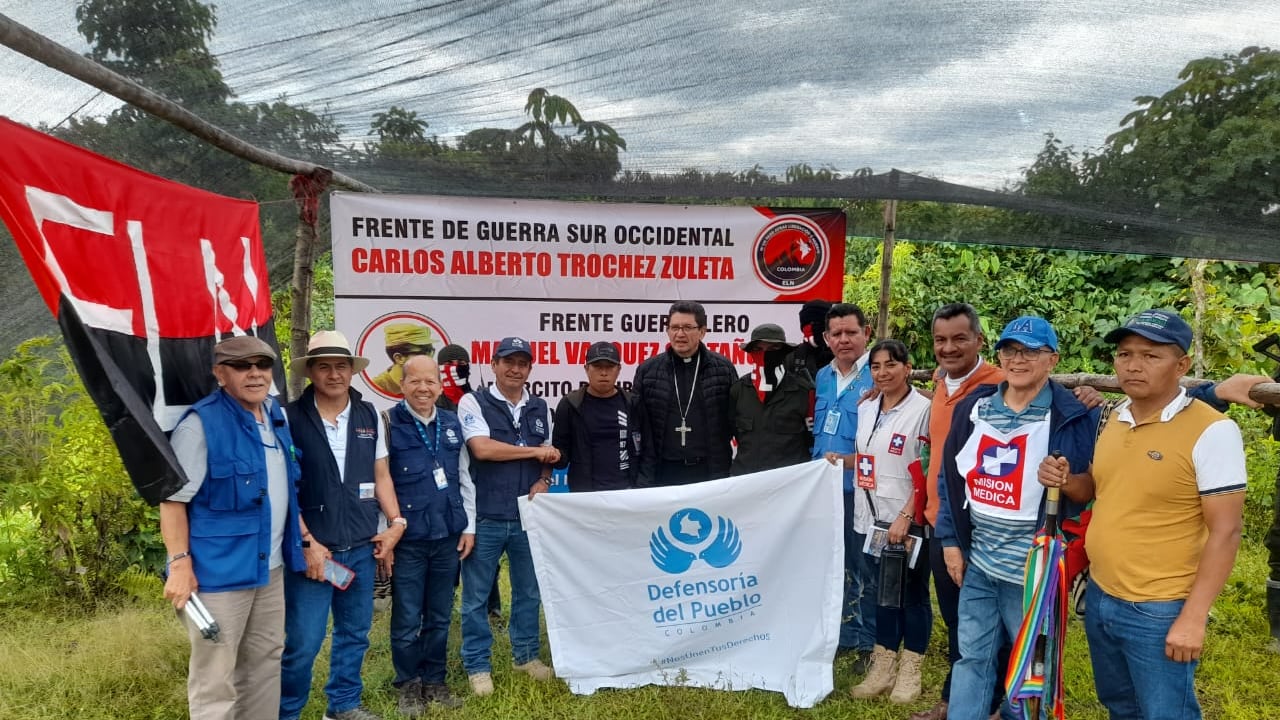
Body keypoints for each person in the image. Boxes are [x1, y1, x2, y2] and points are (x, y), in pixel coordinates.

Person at [1075, 310, 1247, 720]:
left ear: (1182, 365)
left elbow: (1226, 532)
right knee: (1121, 706)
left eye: (1151, 356)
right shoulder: (1113, 418)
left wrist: (1193, 618)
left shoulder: (1213, 431)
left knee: (1166, 712)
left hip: (1158, 607)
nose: (1133, 365)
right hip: (1101, 595)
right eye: (1124, 353)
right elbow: (1103, 491)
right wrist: (1066, 479)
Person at [935, 316, 1100, 720]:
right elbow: (948, 477)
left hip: (1034, 571)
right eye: (1010, 350)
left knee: (1032, 669)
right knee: (971, 657)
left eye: (1030, 351)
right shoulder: (976, 406)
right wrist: (951, 542)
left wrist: (1065, 479)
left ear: (1053, 359)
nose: (1018, 359)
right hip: (980, 563)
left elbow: (1088, 488)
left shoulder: (1072, 414)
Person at [160, 335, 305, 720]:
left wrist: (305, 537)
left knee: (264, 662)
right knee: (216, 675)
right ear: (220, 374)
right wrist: (179, 564)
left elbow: (285, 487)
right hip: (217, 575)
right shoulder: (200, 425)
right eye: (243, 366)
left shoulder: (275, 416)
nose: (255, 373)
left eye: (263, 364)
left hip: (269, 568)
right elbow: (172, 501)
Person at [279, 332, 406, 720]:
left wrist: (396, 524)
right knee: (303, 642)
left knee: (354, 634)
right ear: (311, 372)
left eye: (341, 366)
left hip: (361, 548)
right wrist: (306, 542)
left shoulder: (369, 415)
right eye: (324, 366)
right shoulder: (288, 417)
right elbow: (283, 485)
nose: (334, 374)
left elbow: (380, 474)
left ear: (352, 370)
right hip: (315, 552)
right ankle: (287, 712)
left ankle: (343, 705)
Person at [456, 336, 560, 696]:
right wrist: (532, 451)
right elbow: (482, 449)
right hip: (485, 515)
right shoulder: (474, 401)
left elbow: (547, 461)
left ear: (530, 368)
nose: (515, 369)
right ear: (495, 364)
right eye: (508, 362)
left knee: (528, 592)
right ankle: (477, 665)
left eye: (522, 363)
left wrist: (545, 479)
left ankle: (526, 656)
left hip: (527, 517)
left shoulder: (541, 407)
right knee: (476, 598)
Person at [386, 355, 472, 714]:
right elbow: (382, 482)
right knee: (407, 617)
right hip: (408, 541)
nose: (423, 388)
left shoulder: (452, 424)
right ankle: (408, 684)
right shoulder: (388, 424)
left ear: (439, 385)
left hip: (447, 537)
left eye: (430, 382)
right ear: (402, 385)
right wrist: (386, 537)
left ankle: (435, 681)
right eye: (415, 382)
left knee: (439, 615)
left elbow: (465, 476)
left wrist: (469, 526)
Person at [848, 340, 932, 704]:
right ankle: (883, 667)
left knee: (911, 596)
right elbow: (869, 458)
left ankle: (911, 671)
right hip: (870, 520)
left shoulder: (925, 409)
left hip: (906, 520)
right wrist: (840, 460)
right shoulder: (866, 407)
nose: (883, 373)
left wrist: (907, 514)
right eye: (876, 366)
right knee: (882, 595)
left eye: (891, 365)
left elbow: (929, 467)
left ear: (907, 367)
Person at [814, 303, 877, 666]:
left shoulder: (879, 374)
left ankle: (867, 643)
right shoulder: (823, 376)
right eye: (836, 334)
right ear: (826, 338)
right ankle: (841, 633)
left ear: (865, 333)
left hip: (862, 491)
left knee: (862, 565)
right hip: (824, 490)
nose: (843, 340)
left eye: (851, 332)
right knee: (833, 565)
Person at [633, 301, 737, 486]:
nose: (680, 334)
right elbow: (638, 424)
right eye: (674, 327)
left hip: (709, 471)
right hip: (662, 472)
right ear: (667, 331)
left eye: (687, 327)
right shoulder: (648, 371)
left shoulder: (723, 369)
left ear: (702, 331)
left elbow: (735, 419)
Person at [729, 323, 814, 475]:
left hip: (790, 484)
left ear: (784, 352)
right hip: (746, 482)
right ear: (750, 352)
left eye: (773, 349)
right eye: (759, 349)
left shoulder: (804, 391)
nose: (765, 354)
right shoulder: (738, 391)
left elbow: (812, 441)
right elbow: (728, 435)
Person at [552, 341, 638, 491]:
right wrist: (553, 455)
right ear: (586, 369)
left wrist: (641, 486)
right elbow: (561, 456)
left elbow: (646, 450)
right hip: (585, 495)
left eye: (609, 367)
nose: (603, 373)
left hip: (627, 492)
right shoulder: (570, 404)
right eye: (597, 366)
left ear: (618, 369)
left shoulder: (632, 404)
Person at [372, 323, 436, 396]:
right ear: (399, 358)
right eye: (421, 354)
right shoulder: (377, 388)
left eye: (430, 352)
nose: (429, 359)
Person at [790, 298, 835, 378]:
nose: (813, 327)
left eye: (819, 323)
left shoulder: (841, 354)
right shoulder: (792, 357)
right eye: (808, 323)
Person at [435, 343, 474, 413]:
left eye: (461, 363)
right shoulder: (431, 403)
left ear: (468, 366)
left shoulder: (479, 401)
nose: (455, 367)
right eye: (449, 364)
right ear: (439, 367)